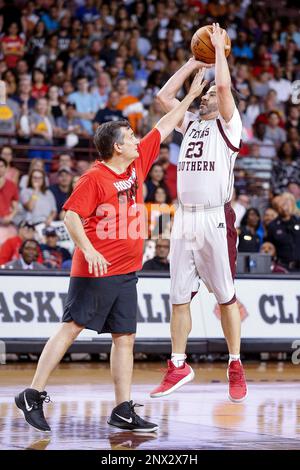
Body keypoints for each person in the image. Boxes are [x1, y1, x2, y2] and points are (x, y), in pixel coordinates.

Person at [15, 68, 209, 433]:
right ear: (117, 146)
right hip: (96, 270)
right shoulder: (94, 177)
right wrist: (87, 249)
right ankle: (32, 393)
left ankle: (122, 408)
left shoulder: (137, 163)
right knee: (70, 328)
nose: (138, 140)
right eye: (131, 137)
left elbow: (166, 124)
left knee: (125, 338)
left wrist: (190, 94)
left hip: (125, 272)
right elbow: (70, 215)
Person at [151, 23, 247, 403]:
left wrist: (220, 52)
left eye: (209, 94)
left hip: (214, 217)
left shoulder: (230, 124)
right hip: (184, 217)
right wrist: (194, 63)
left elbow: (224, 88)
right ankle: (178, 364)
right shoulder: (190, 123)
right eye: (203, 94)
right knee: (178, 297)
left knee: (225, 298)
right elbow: (163, 96)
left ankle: (235, 364)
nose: (204, 96)